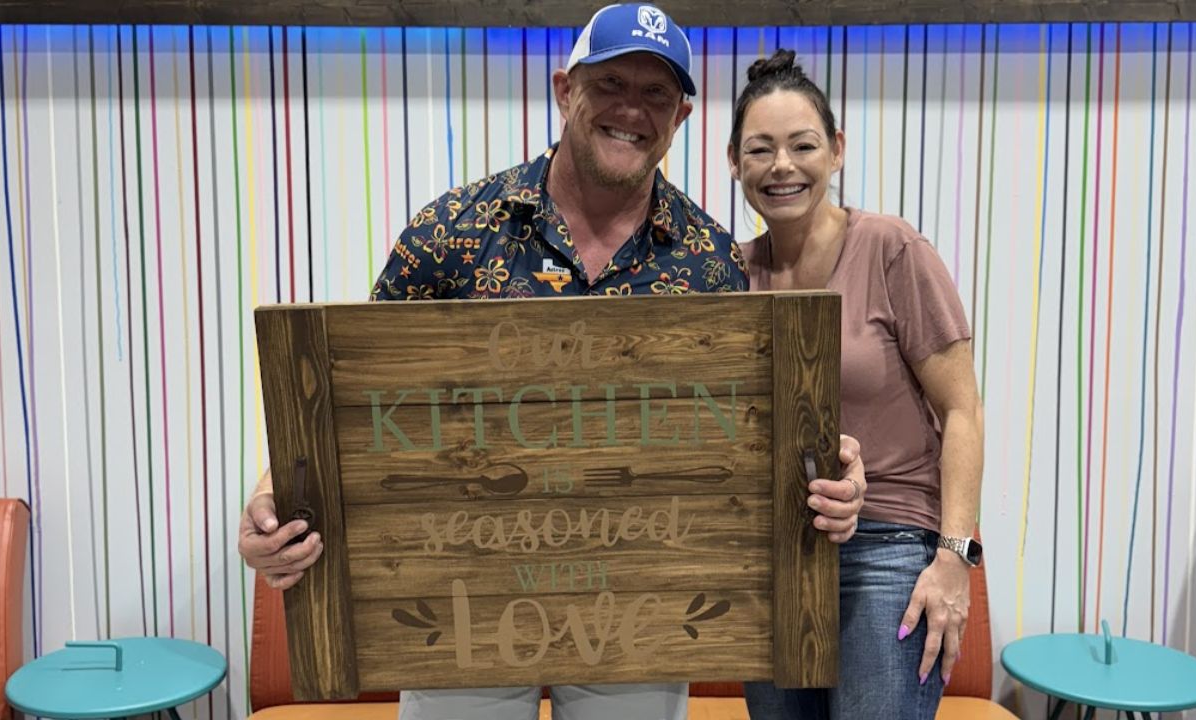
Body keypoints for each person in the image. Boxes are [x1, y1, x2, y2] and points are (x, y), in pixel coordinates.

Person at [239, 8, 868, 720]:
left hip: (639, 612)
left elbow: (749, 428)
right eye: (610, 84)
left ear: (683, 114)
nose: (632, 108)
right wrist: (275, 498)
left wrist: (825, 467)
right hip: (460, 603)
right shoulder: (453, 232)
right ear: (565, 89)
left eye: (656, 94)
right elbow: (353, 394)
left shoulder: (707, 259)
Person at [729, 50, 985, 720]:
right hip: (778, 550)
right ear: (734, 163)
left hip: (890, 548)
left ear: (836, 150)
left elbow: (963, 411)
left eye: (803, 145)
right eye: (760, 150)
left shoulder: (892, 249)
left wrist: (954, 562)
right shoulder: (733, 274)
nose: (782, 166)